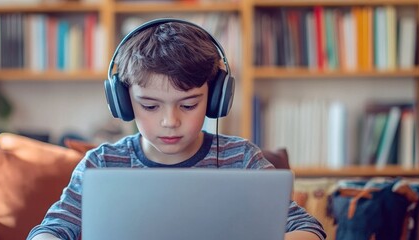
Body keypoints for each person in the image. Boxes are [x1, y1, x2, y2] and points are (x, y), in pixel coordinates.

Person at [27, 18, 326, 240]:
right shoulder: (100, 164)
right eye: (150, 106)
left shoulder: (242, 159)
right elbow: (51, 230)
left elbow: (309, 230)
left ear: (215, 98)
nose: (170, 121)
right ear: (123, 101)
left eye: (188, 105)